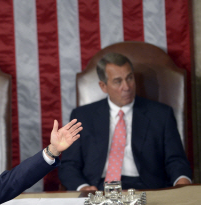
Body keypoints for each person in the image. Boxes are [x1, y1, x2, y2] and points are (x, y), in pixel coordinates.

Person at [59, 52, 192, 191]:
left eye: (129, 78)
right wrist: (84, 188)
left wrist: (182, 182)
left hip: (147, 189)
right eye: (118, 81)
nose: (127, 87)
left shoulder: (161, 115)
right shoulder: (82, 116)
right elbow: (69, 165)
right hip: (97, 189)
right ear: (103, 86)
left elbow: (176, 160)